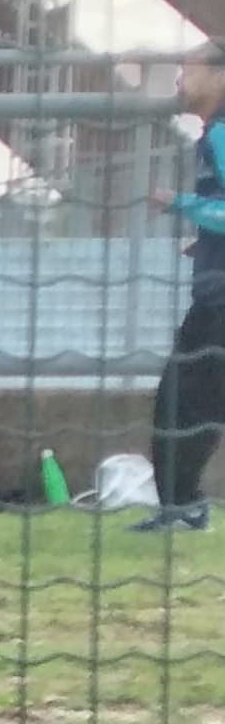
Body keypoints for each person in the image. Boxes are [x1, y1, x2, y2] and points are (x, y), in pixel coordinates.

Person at [136, 49, 225, 533]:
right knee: (194, 402)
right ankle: (183, 505)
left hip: (219, 302)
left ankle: (183, 507)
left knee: (180, 402)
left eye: (188, 71)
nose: (178, 80)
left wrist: (179, 204)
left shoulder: (220, 134)